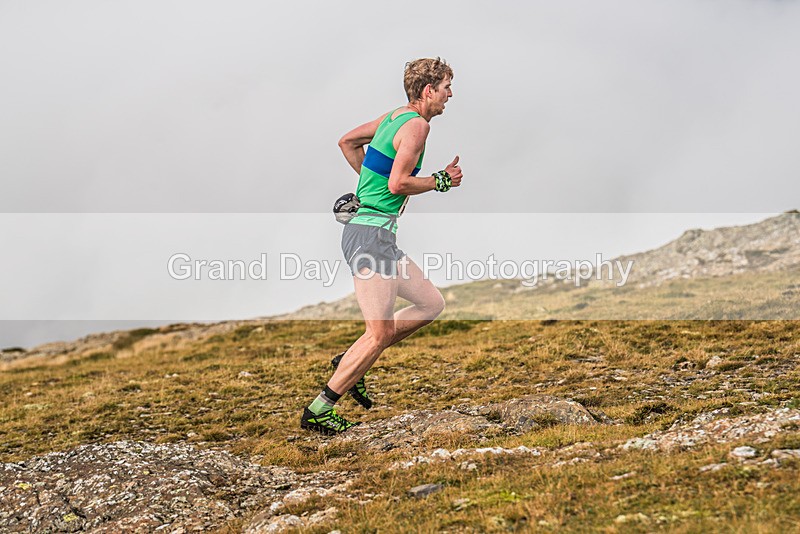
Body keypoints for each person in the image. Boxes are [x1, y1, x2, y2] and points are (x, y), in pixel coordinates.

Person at [300, 57, 463, 435]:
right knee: (379, 333)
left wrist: (369, 186)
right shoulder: (417, 126)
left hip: (378, 236)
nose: (450, 95)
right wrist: (440, 181)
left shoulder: (394, 117)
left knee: (430, 304)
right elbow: (398, 183)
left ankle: (350, 360)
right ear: (429, 91)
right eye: (446, 88)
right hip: (370, 236)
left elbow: (347, 142)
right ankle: (320, 410)